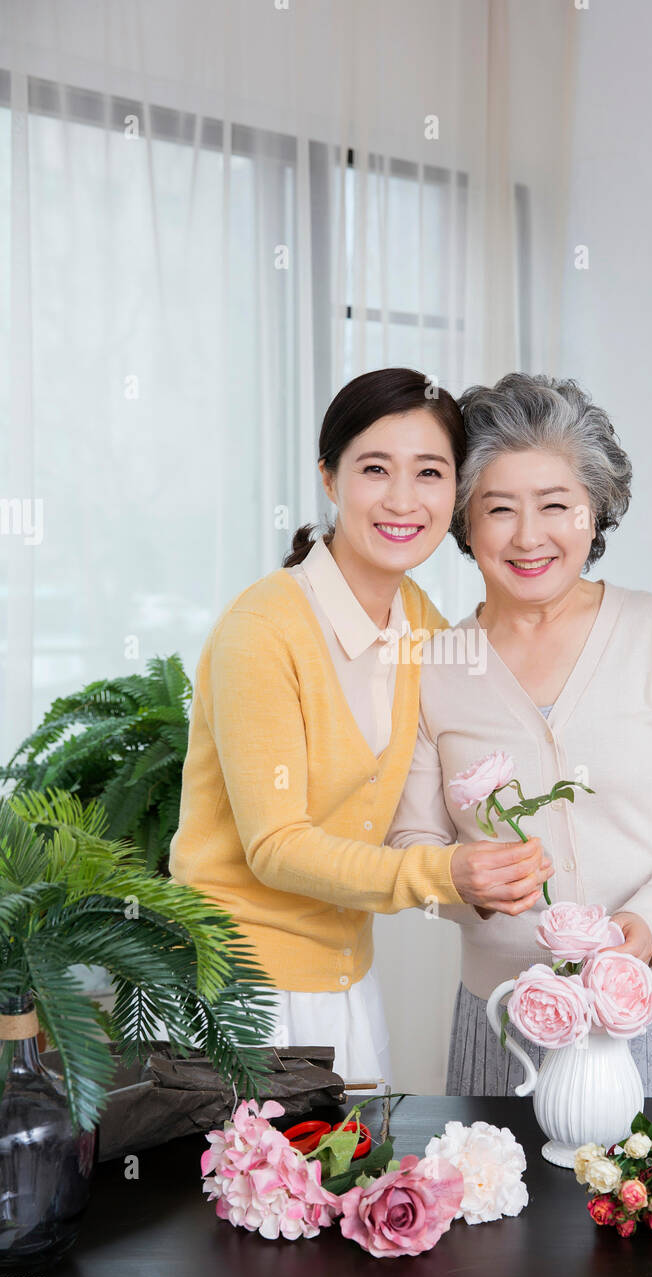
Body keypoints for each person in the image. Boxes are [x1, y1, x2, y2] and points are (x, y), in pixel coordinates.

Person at [168, 367, 552, 1089]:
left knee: (359, 1191)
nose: (403, 499)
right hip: (236, 988)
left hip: (345, 977)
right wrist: (446, 873)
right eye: (375, 468)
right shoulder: (265, 629)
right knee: (241, 1196)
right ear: (329, 478)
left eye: (430, 472)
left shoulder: (420, 622)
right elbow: (277, 847)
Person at [386, 372, 652, 1097]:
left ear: (595, 513)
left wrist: (648, 927)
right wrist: (469, 888)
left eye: (555, 506)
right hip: (509, 1014)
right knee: (508, 1211)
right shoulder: (433, 665)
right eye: (499, 509)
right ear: (464, 521)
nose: (529, 537)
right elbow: (411, 846)